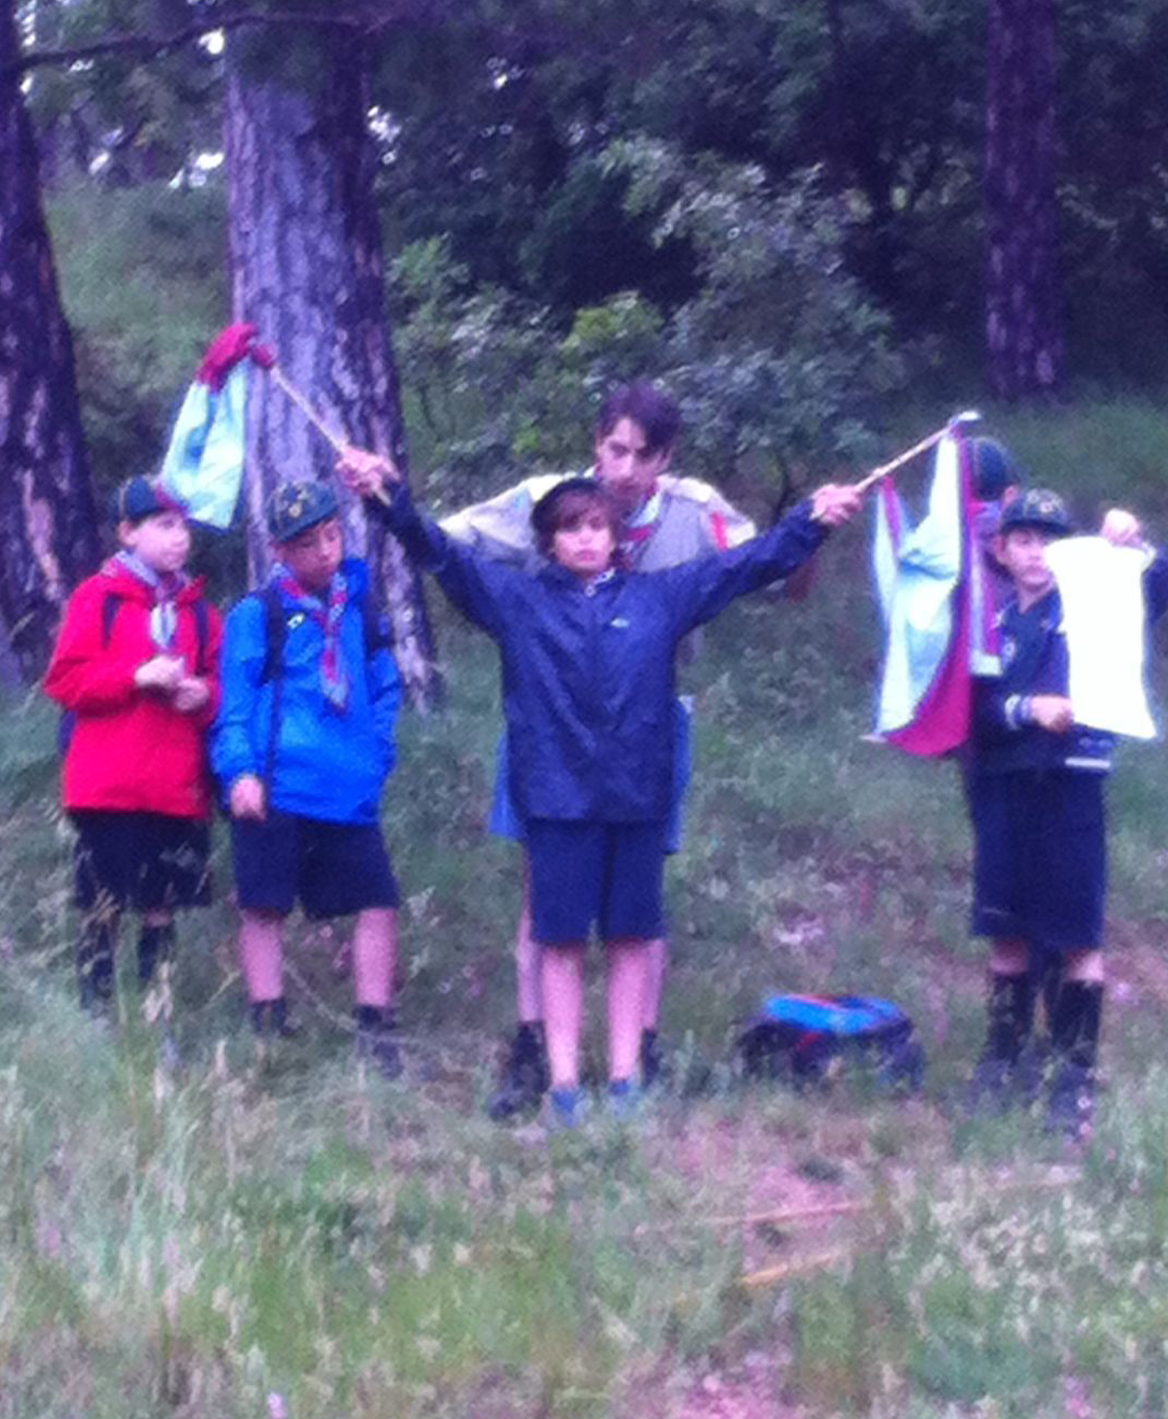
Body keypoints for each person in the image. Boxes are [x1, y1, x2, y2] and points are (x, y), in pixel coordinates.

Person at [339, 447, 860, 1125]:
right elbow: (437, 549)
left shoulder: (661, 598)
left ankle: (623, 1084)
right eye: (570, 528)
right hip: (556, 801)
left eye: (597, 526)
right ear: (548, 542)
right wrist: (384, 495)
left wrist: (811, 521)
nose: (585, 538)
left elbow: (748, 564)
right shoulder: (517, 601)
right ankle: (563, 1089)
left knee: (629, 940)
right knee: (558, 943)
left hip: (637, 799)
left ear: (617, 537)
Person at [441, 381, 760, 1116]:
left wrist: (814, 525)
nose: (626, 468)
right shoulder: (543, 499)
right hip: (547, 719)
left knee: (639, 905)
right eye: (615, 449)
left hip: (649, 722)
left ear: (666, 458)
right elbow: (452, 542)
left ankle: (637, 1052)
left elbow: (766, 570)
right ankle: (536, 1052)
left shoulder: (697, 511)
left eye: (644, 456)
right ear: (596, 443)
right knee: (544, 896)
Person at [966, 487, 1168, 1135]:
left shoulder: (1092, 603)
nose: (1037, 553)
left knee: (1076, 934)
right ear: (1001, 550)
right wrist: (1027, 709)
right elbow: (973, 711)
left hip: (1070, 785)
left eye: (1050, 540)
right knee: (1007, 931)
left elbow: (1154, 588)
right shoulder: (991, 624)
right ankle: (1002, 1061)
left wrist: (1137, 543)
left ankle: (1072, 1075)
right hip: (1005, 786)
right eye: (1023, 540)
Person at [210, 479, 403, 1072]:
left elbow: (385, 686)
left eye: (332, 535)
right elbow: (234, 704)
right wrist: (239, 772)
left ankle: (375, 1029)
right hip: (278, 787)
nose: (324, 551)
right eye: (307, 543)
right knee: (264, 906)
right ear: (279, 550)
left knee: (378, 902)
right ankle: (268, 1023)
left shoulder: (360, 608)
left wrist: (377, 754)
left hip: (347, 789)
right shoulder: (259, 615)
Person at [44, 475, 222, 1012]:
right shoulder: (98, 598)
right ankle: (95, 1012)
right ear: (128, 533)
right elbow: (66, 681)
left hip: (174, 788)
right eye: (164, 526)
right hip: (108, 788)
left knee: (161, 903)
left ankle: (157, 1015)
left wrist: (203, 695)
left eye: (183, 526)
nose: (179, 537)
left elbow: (222, 689)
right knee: (103, 904)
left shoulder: (198, 611)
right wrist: (135, 677)